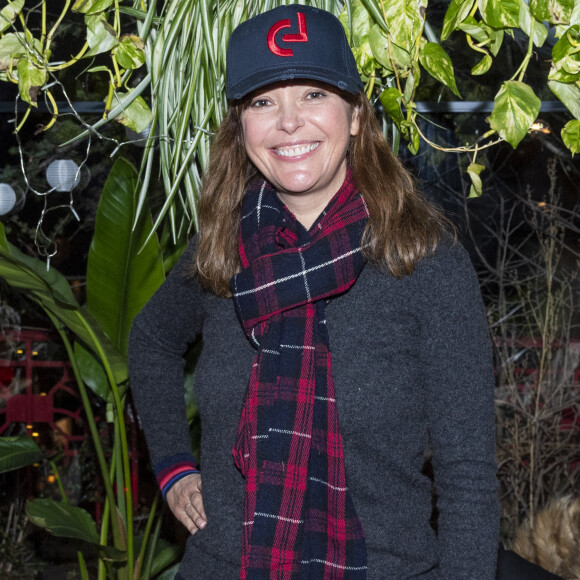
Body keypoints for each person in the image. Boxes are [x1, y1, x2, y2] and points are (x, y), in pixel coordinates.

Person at [129, 4, 501, 578]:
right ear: (241, 128)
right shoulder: (220, 250)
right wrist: (176, 468)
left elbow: (468, 475)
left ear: (355, 115)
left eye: (313, 95)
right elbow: (151, 340)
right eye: (262, 102)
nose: (288, 122)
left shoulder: (424, 261)